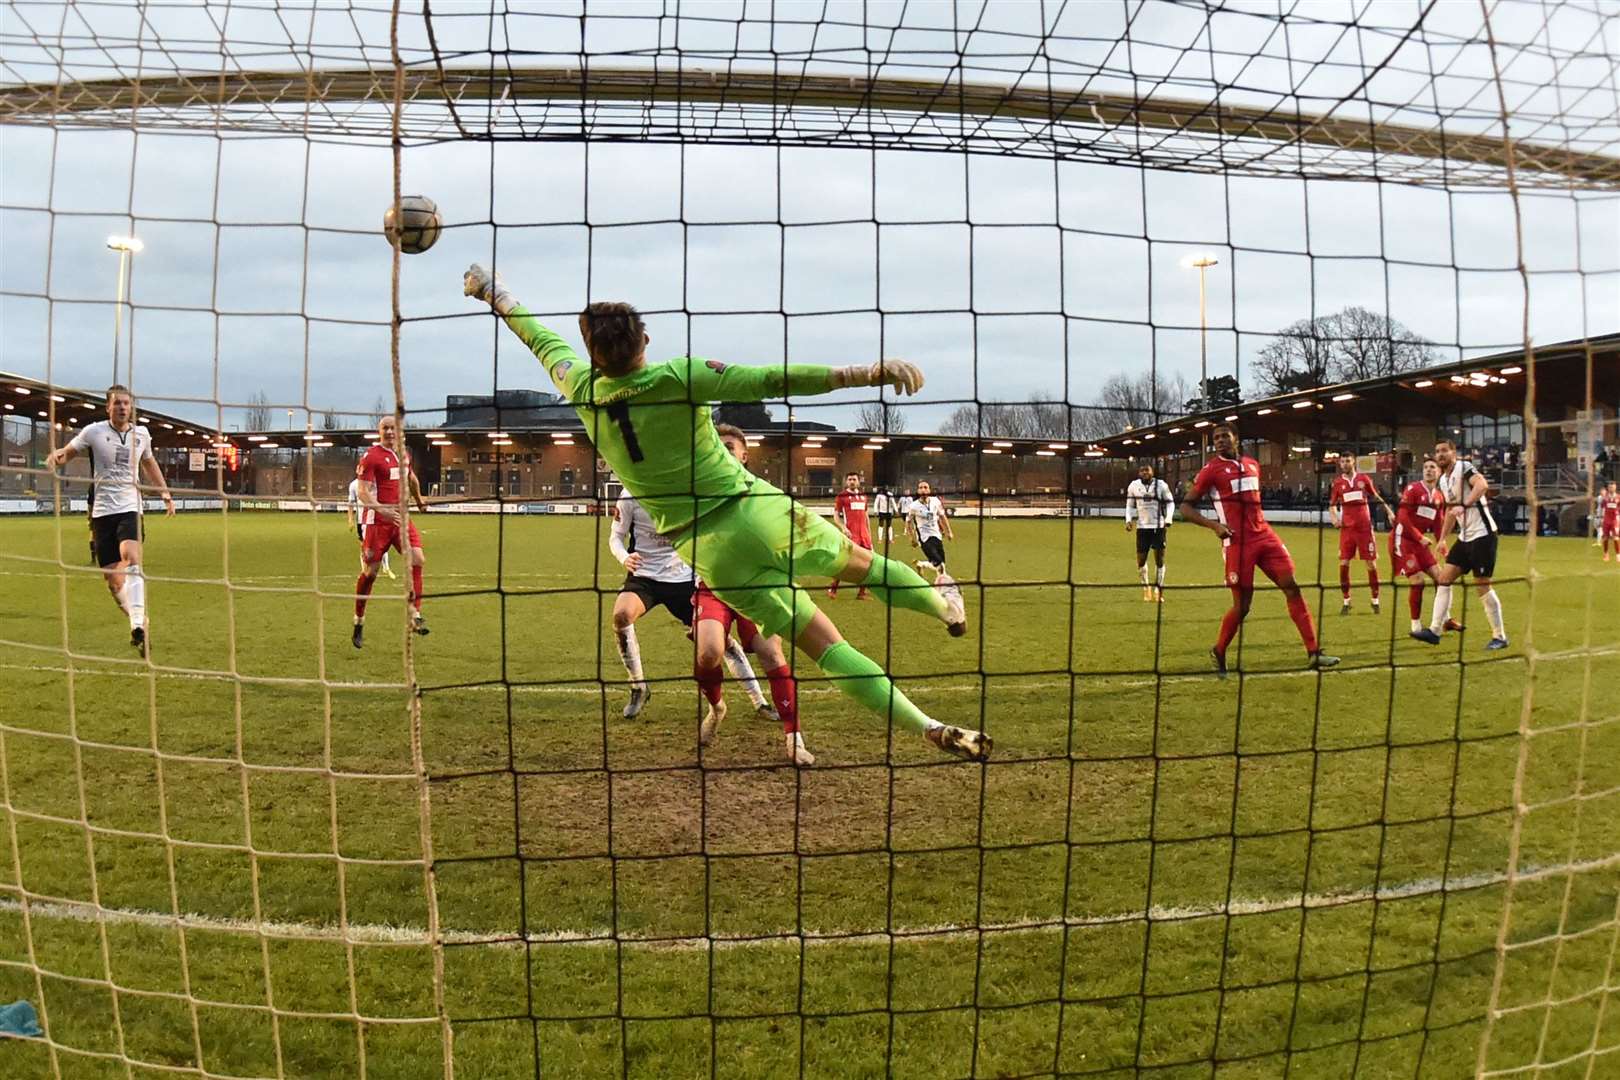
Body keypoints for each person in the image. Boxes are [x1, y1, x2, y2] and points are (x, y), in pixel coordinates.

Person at [464, 265, 988, 761]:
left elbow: (534, 336)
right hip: (754, 510)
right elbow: (767, 379)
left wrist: (493, 291)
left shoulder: (579, 386)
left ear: (590, 351)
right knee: (863, 565)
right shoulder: (680, 376)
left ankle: (928, 726)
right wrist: (862, 373)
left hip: (707, 549)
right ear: (644, 341)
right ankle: (946, 608)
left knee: (823, 645)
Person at [1178, 424, 1340, 676]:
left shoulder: (1253, 464)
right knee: (1242, 606)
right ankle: (1219, 650)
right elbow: (1185, 507)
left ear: (1236, 438)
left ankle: (1314, 652)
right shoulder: (1210, 470)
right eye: (1216, 438)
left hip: (1265, 536)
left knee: (1292, 587)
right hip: (1237, 543)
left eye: (1224, 436)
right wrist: (1214, 526)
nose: (1220, 441)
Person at [696, 424, 812, 765]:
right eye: (719, 445)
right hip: (712, 588)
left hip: (755, 587)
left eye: (731, 446)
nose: (725, 450)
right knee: (708, 654)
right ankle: (717, 709)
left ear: (745, 455)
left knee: (773, 655)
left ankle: (794, 740)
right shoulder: (694, 491)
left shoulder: (761, 494)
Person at [608, 487, 775, 722]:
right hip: (644, 577)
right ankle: (638, 687)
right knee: (621, 616)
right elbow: (616, 536)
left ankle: (759, 701)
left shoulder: (688, 489)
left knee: (721, 642)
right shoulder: (631, 493)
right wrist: (625, 557)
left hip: (684, 580)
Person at [46, 384, 175, 655]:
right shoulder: (93, 431)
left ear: (131, 406)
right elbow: (68, 452)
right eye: (117, 403)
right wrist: (56, 458)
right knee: (114, 582)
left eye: (126, 403)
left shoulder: (142, 435)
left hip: (130, 506)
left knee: (131, 555)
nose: (122, 407)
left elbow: (150, 464)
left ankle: (137, 622)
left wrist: (164, 493)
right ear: (108, 407)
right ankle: (140, 624)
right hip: (102, 512)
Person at [1413, 439, 1508, 650]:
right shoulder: (1443, 481)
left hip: (1483, 535)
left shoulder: (1464, 467)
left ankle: (1500, 637)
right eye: (1437, 452)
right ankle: (1434, 630)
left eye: (1444, 451)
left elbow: (1482, 485)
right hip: (1465, 538)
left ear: (1453, 453)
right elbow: (1450, 512)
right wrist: (1443, 538)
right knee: (1444, 578)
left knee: (1482, 585)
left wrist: (1464, 506)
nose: (1440, 455)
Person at [352, 415, 429, 649]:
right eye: (385, 428)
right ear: (379, 431)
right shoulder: (371, 457)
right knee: (371, 573)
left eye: (393, 428)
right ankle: (359, 621)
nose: (389, 432)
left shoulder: (403, 454)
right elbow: (363, 492)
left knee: (417, 559)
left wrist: (419, 500)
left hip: (400, 519)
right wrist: (382, 509)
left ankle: (415, 615)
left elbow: (411, 478)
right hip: (377, 522)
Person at [1390, 458, 1456, 638]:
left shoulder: (1438, 497)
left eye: (1432, 467)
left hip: (1422, 544)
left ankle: (1445, 620)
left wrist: (1441, 542)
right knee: (1418, 581)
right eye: (1425, 467)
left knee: (1442, 578)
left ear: (1439, 472)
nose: (1428, 470)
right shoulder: (1412, 489)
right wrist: (1419, 537)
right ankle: (1415, 625)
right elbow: (1402, 517)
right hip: (1403, 540)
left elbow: (1437, 522)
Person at [1329, 454, 1394, 615]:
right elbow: (1332, 505)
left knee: (1371, 564)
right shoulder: (1337, 483)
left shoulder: (1363, 479)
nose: (1345, 464)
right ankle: (1346, 600)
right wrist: (1334, 517)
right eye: (1342, 461)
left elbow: (1376, 497)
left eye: (1347, 461)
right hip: (1347, 530)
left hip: (1364, 529)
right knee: (1344, 563)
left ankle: (1375, 599)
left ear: (1353, 462)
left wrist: (1389, 512)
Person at [1124, 462, 1174, 602]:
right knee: (1141, 560)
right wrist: (1128, 520)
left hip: (1159, 527)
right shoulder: (1133, 486)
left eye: (1147, 470)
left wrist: (1168, 518)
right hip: (1142, 528)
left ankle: (1159, 589)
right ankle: (1146, 587)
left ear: (1152, 471)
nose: (1144, 473)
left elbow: (1170, 502)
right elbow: (1129, 505)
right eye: (1142, 470)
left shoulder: (1161, 485)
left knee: (1160, 560)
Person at [828, 471, 872, 599]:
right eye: (850, 479)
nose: (852, 481)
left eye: (854, 479)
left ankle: (861, 593)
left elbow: (866, 515)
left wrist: (869, 533)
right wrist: (843, 527)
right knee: (845, 563)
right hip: (851, 535)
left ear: (859, 481)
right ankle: (833, 588)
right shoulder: (842, 496)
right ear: (846, 482)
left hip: (864, 536)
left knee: (867, 564)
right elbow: (836, 515)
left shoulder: (864, 496)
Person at [346, 475, 394, 579]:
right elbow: (351, 503)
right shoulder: (353, 485)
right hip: (361, 521)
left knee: (381, 543)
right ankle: (364, 570)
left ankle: (386, 567)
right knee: (363, 545)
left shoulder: (376, 483)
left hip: (376, 518)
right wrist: (350, 519)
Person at [906, 479, 953, 572]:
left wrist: (949, 532)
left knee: (942, 565)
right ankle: (942, 584)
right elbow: (908, 522)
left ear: (929, 490)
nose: (923, 489)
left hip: (936, 535)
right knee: (939, 563)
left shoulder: (936, 501)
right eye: (920, 488)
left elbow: (942, 517)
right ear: (918, 491)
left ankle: (921, 564)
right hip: (924, 538)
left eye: (925, 487)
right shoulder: (913, 506)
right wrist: (911, 538)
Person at [1598, 481, 1620, 562]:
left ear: (1615, 488)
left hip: (1615, 520)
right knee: (1605, 538)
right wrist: (1600, 518)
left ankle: (1618, 555)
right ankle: (1606, 554)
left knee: (1616, 537)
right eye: (1610, 487)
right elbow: (1601, 508)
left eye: (1613, 487)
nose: (1611, 488)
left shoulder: (1618, 497)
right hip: (1606, 520)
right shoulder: (1604, 498)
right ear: (1608, 488)